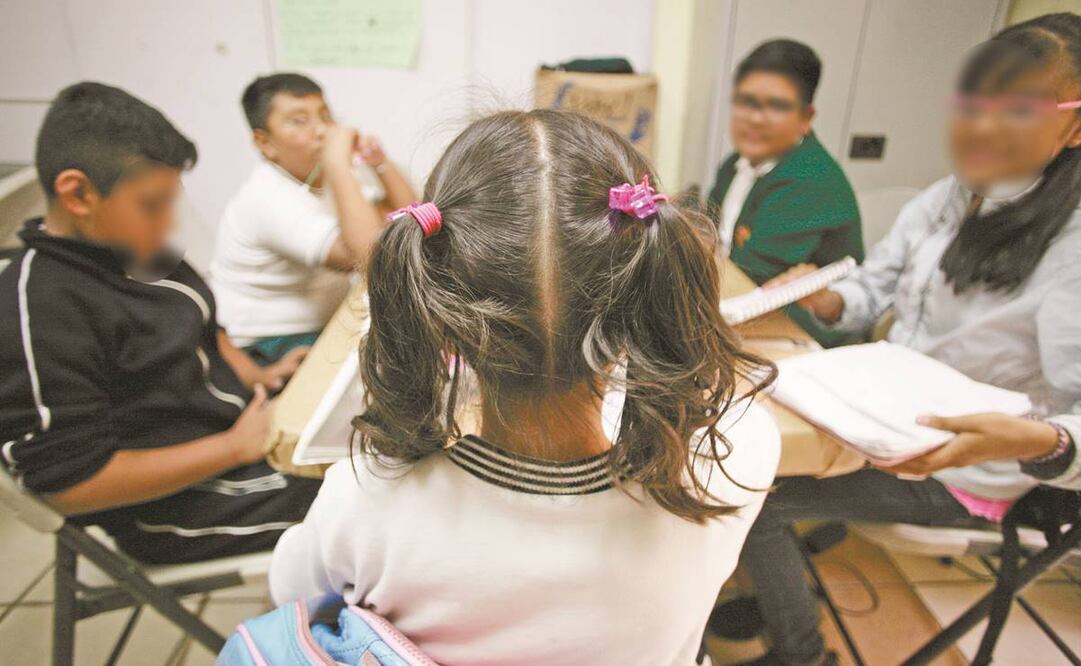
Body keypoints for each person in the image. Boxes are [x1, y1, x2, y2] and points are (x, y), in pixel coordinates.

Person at [268, 109, 782, 664]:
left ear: (440, 312)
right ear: (645, 300)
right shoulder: (730, 463)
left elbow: (290, 596)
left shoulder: (365, 501)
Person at [723, 14, 1081, 665]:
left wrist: (1041, 440)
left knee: (753, 493)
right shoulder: (952, 196)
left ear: (1075, 126)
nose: (980, 126)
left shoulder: (1071, 249)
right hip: (888, 413)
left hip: (962, 464)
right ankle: (776, 590)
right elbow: (873, 288)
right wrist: (827, 297)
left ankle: (803, 653)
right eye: (972, 101)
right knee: (745, 421)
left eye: (1017, 109)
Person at [0, 82, 320, 564]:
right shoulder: (40, 308)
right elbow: (70, 486)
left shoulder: (133, 247)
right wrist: (233, 448)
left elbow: (205, 325)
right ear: (78, 193)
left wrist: (259, 375)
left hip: (232, 431)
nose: (169, 223)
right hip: (174, 507)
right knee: (360, 495)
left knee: (373, 435)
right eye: (153, 204)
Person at [209, 73, 416, 364]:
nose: (322, 130)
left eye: (325, 116)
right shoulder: (267, 198)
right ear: (264, 143)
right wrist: (337, 163)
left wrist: (380, 162)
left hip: (324, 320)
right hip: (270, 343)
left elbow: (408, 221)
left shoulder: (324, 174)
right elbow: (370, 256)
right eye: (299, 121)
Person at [707, 39, 864, 347]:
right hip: (740, 311)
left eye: (776, 106)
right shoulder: (736, 164)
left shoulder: (811, 180)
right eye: (746, 101)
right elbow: (707, 230)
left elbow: (751, 274)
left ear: (806, 118)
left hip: (799, 335)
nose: (755, 118)